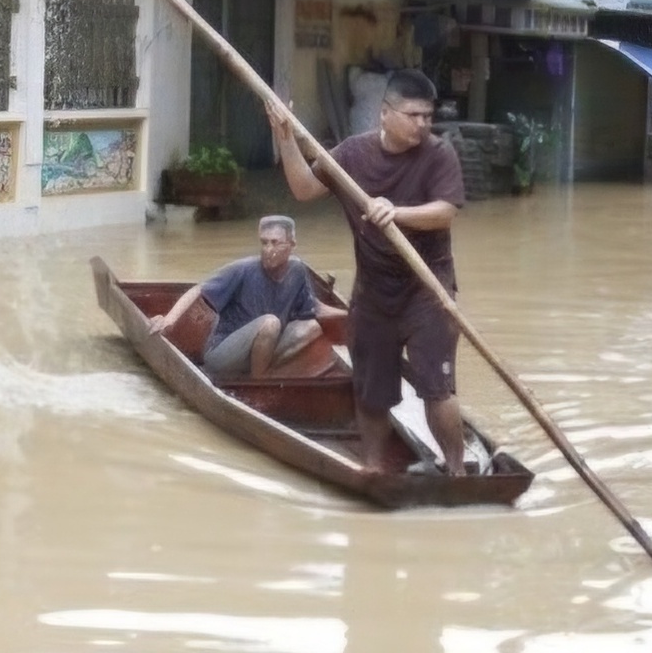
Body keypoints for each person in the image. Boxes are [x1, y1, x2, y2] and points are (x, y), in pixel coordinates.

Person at [266, 68, 472, 476]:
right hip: (375, 294)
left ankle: (457, 470)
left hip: (428, 290)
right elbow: (304, 189)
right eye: (413, 115)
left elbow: (445, 212)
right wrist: (285, 137)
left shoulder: (438, 154)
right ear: (385, 113)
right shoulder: (351, 155)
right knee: (372, 392)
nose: (423, 125)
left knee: (437, 388)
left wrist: (397, 213)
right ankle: (375, 470)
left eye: (428, 117)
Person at [150, 215, 325, 378]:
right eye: (264, 243)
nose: (268, 249)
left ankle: (268, 369)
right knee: (270, 323)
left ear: (291, 245)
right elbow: (198, 290)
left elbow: (311, 310)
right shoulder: (243, 269)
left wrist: (349, 315)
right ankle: (259, 384)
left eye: (275, 243)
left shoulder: (298, 271)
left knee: (313, 326)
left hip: (264, 347)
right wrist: (169, 320)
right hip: (222, 353)